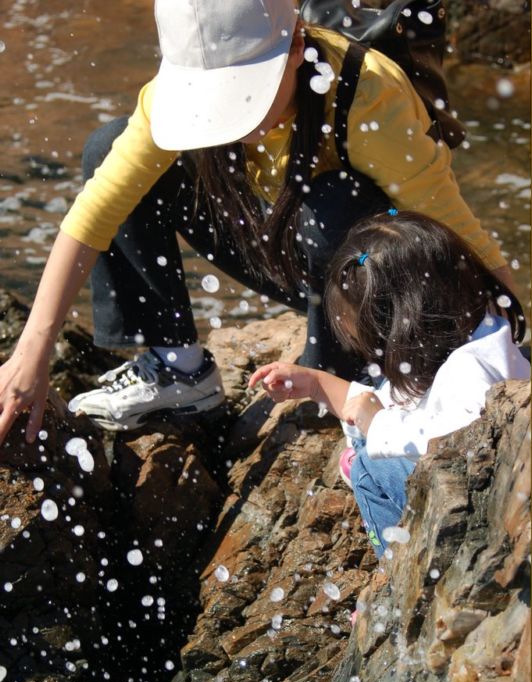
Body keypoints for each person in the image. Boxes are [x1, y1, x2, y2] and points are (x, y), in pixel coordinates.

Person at [0, 0, 517, 444]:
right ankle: (179, 368)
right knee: (104, 148)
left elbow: (455, 233)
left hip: (359, 281)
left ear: (296, 45)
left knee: (335, 199)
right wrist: (31, 352)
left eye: (244, 94)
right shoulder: (172, 98)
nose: (227, 118)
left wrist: (515, 340)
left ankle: (337, 368)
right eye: (213, 98)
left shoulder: (367, 96)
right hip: (276, 243)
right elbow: (94, 212)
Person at [248, 210, 529, 558]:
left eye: (367, 339)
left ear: (400, 328)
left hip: (482, 514)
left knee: (370, 467)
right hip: (493, 488)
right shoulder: (475, 329)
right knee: (370, 445)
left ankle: (394, 572)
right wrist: (316, 384)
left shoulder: (470, 368)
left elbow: (464, 437)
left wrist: (377, 425)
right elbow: (406, 402)